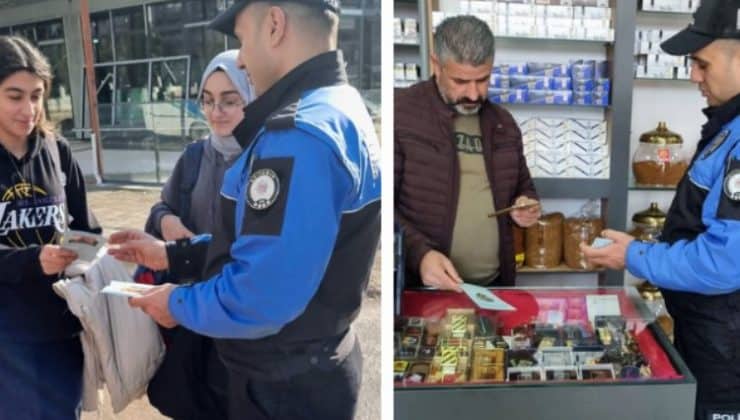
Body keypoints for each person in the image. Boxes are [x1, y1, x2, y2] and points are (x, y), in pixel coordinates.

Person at [108, 1, 380, 419]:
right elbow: (270, 246)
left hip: (282, 387)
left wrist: (177, 304)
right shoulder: (340, 106)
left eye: (241, 39)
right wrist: (172, 255)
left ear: (274, 25)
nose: (240, 57)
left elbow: (262, 294)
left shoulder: (298, 136)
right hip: (311, 367)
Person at [582, 1, 740, 418]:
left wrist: (634, 255)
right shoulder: (728, 128)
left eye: (703, 64)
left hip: (728, 354)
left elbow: (723, 263)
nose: (693, 76)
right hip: (712, 336)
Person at [141, 50, 255, 420]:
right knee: (191, 397)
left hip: (242, 313)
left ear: (252, 99)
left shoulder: (267, 160)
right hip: (192, 309)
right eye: (207, 101)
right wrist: (167, 222)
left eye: (229, 101)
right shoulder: (193, 157)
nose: (216, 111)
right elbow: (160, 209)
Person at [395, 15, 540, 292]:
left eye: (483, 80)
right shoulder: (401, 115)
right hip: (425, 291)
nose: (473, 95)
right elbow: (383, 206)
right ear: (436, 65)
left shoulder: (503, 123)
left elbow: (525, 187)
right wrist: (420, 255)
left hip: (493, 288)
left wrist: (526, 205)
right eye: (461, 81)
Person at [0, 35, 100, 419]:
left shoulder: (57, 150)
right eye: (15, 95)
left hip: (60, 332)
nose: (29, 108)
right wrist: (30, 261)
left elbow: (87, 226)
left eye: (37, 95)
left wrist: (87, 252)